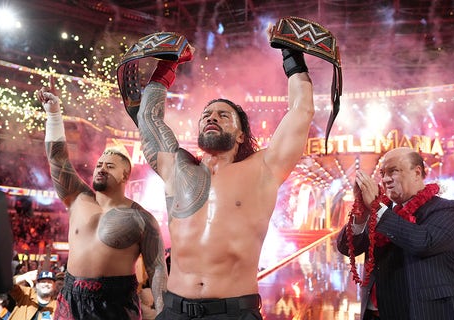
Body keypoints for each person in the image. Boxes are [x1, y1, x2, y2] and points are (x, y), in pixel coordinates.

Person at [124, 28, 318, 319]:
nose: (212, 117)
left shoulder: (262, 169)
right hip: (175, 309)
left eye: (223, 115)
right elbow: (148, 118)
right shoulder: (178, 169)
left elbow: (301, 110)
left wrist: (291, 54)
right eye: (207, 115)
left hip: (234, 312)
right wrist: (166, 66)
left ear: (241, 135)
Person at [36, 78, 167, 319]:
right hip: (70, 298)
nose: (101, 169)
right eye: (99, 165)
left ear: (125, 174)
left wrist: (163, 313)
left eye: (110, 166)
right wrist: (54, 115)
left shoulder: (142, 219)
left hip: (114, 304)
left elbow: (157, 269)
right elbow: (57, 159)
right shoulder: (77, 198)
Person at [336, 147, 454, 320]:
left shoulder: (449, 210)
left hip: (426, 313)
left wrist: (376, 208)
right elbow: (346, 248)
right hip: (376, 313)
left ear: (417, 172)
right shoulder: (382, 213)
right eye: (382, 173)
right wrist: (361, 215)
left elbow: (423, 242)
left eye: (393, 171)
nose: (385, 179)